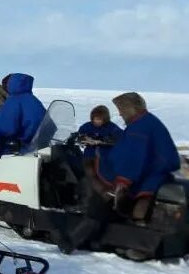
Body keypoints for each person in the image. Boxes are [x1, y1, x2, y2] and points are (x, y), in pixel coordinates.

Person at [60, 92, 181, 257]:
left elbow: (134, 158)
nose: (121, 114)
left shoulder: (139, 128)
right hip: (145, 172)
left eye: (122, 110)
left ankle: (73, 240)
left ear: (132, 109)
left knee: (100, 202)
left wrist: (122, 182)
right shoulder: (145, 122)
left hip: (141, 175)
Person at [0, 73, 46, 165]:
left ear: (11, 85)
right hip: (34, 148)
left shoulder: (14, 101)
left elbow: (3, 126)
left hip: (18, 150)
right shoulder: (35, 101)